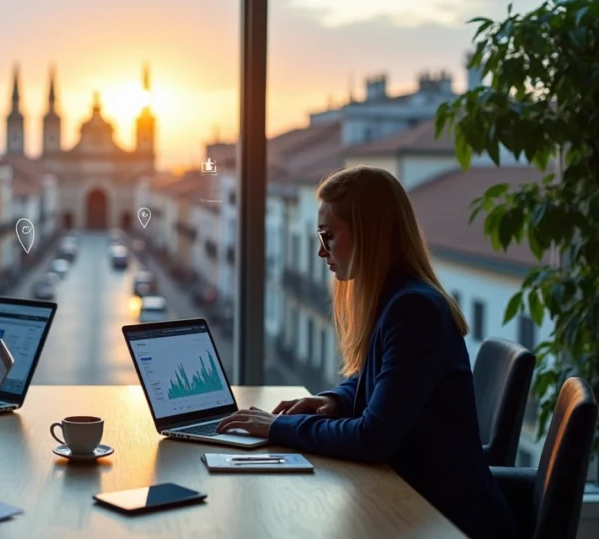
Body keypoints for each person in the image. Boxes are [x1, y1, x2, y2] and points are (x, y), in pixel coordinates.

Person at [215, 166, 517, 539]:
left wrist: (278, 426)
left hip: (445, 521)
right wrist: (335, 401)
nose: (320, 251)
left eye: (328, 236)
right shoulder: (399, 298)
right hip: (414, 506)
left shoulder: (413, 311)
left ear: (369, 235)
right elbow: (377, 379)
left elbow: (373, 438)